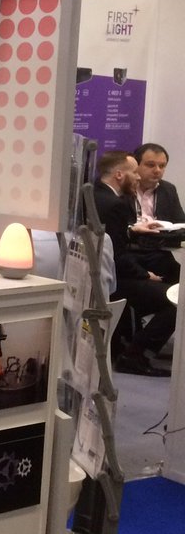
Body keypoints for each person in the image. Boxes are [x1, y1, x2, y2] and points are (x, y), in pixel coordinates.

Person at [92, 150, 174, 376]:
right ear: (119, 175)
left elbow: (109, 239)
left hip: (100, 275)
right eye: (135, 172)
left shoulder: (94, 195)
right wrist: (145, 275)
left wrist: (132, 230)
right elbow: (116, 256)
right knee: (176, 299)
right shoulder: (116, 205)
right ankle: (136, 355)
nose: (138, 178)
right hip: (115, 279)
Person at [129, 142, 183, 286]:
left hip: (158, 251)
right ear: (136, 165)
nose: (157, 170)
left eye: (162, 166)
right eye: (151, 165)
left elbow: (180, 223)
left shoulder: (168, 189)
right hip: (129, 252)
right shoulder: (125, 187)